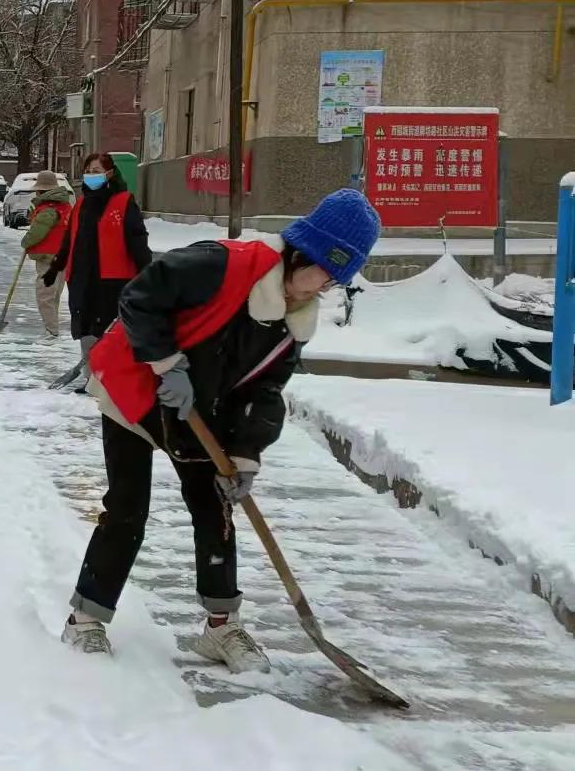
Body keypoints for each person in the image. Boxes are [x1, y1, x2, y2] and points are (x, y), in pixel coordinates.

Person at [61, 188, 381, 670]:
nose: (323, 288)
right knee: (128, 508)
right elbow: (140, 298)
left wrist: (246, 455)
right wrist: (167, 363)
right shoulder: (221, 264)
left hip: (197, 411)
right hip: (132, 390)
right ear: (302, 252)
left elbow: (265, 392)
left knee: (215, 507)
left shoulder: (294, 322)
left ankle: (221, 626)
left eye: (335, 282)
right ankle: (85, 620)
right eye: (325, 273)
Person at [46, 151, 152, 355]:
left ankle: (106, 378)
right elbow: (69, 240)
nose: (91, 175)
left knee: (108, 330)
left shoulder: (123, 202)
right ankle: (91, 376)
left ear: (109, 173)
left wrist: (147, 274)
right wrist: (55, 267)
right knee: (84, 328)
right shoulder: (80, 205)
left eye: (96, 171)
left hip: (112, 281)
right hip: (81, 278)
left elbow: (138, 241)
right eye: (87, 171)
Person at [20, 171, 74, 337]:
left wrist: (26, 241)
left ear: (40, 191)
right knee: (54, 295)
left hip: (48, 258)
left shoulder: (48, 210)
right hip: (63, 258)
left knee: (45, 296)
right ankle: (52, 328)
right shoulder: (65, 207)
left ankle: (51, 330)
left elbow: (37, 233)